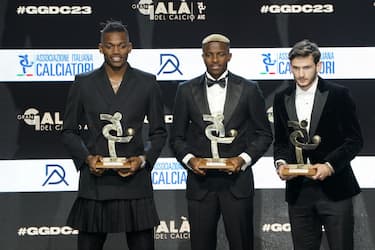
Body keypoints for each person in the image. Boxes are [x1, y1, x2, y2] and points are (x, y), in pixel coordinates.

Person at [61, 20, 167, 250]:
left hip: (135, 182)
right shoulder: (83, 83)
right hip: (95, 183)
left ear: (130, 47)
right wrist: (87, 159)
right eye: (110, 46)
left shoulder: (147, 83)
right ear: (101, 48)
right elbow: (68, 131)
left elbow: (159, 132)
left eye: (121, 46)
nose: (116, 52)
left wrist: (142, 159)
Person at [170, 34, 273, 250]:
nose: (215, 60)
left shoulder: (249, 89)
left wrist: (243, 159)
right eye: (209, 55)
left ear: (229, 56)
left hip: (237, 184)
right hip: (200, 185)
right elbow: (176, 137)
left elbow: (264, 134)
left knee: (242, 245)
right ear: (203, 57)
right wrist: (190, 160)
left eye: (220, 54)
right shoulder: (185, 90)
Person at [273, 39, 363, 250]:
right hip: (298, 192)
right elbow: (280, 141)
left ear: (318, 66)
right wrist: (281, 164)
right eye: (296, 68)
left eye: (306, 67)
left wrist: (329, 166)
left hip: (335, 190)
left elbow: (355, 140)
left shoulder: (339, 94)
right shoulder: (281, 98)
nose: (301, 74)